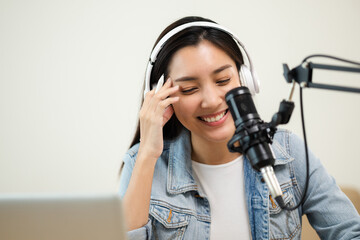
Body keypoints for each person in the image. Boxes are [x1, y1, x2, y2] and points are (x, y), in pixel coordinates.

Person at [118, 16, 360, 240]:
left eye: (223, 80)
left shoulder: (289, 152)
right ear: (161, 96)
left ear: (246, 79)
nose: (212, 100)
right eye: (189, 88)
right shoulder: (141, 163)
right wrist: (148, 154)